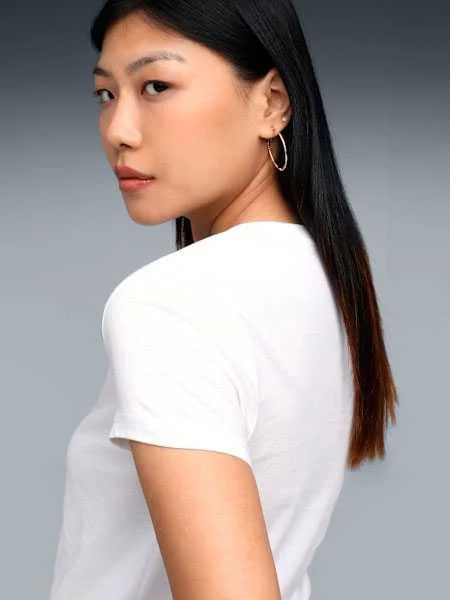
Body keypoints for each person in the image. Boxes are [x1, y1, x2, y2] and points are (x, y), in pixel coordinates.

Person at [49, 1, 398, 598]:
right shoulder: (325, 275)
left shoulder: (169, 303)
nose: (118, 131)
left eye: (156, 86)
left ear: (271, 103)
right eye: (106, 94)